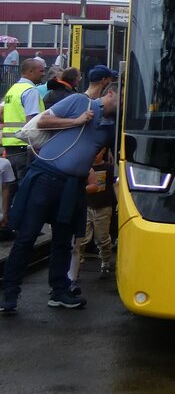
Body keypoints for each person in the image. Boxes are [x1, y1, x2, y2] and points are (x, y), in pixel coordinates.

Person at [0, 83, 119, 313]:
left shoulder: (111, 126)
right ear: (111, 93)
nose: (125, 105)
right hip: (46, 176)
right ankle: (10, 292)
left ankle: (59, 291)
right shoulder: (79, 102)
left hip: (72, 185)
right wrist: (75, 122)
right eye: (123, 99)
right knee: (27, 236)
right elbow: (42, 121)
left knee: (64, 241)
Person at [1, 57, 47, 181]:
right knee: (25, 184)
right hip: (24, 145)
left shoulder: (13, 89)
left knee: (12, 185)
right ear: (30, 72)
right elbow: (32, 121)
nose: (44, 74)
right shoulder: (30, 91)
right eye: (41, 71)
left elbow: (2, 112)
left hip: (10, 144)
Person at [74, 146, 116, 279]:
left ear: (103, 151)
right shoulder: (83, 168)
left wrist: (119, 201)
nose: (95, 155)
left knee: (102, 237)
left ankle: (105, 262)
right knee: (81, 237)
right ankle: (76, 264)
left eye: (98, 152)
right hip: (86, 206)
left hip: (103, 206)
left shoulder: (109, 168)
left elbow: (115, 185)